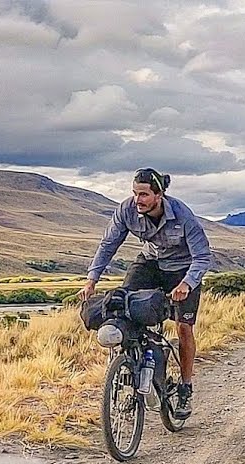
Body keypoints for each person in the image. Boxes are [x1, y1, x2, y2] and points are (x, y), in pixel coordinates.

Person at [77, 167, 212, 419]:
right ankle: (131, 366)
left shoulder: (182, 215)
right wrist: (91, 280)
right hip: (149, 263)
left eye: (144, 194)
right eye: (135, 193)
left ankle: (185, 387)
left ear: (159, 195)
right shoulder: (126, 210)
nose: (137, 200)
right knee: (123, 305)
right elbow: (108, 245)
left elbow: (203, 256)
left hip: (182, 269)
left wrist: (187, 284)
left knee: (183, 327)